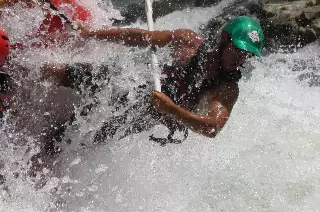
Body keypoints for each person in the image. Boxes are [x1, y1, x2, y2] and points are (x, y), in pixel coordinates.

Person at [43, 16, 264, 143]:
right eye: (239, 51)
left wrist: (171, 110)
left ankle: (53, 145)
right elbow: (138, 37)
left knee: (76, 137)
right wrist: (90, 34)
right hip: (133, 83)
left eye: (247, 55)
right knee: (62, 71)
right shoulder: (188, 42)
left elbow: (212, 128)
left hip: (143, 115)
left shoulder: (227, 88)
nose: (241, 59)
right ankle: (28, 75)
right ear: (224, 39)